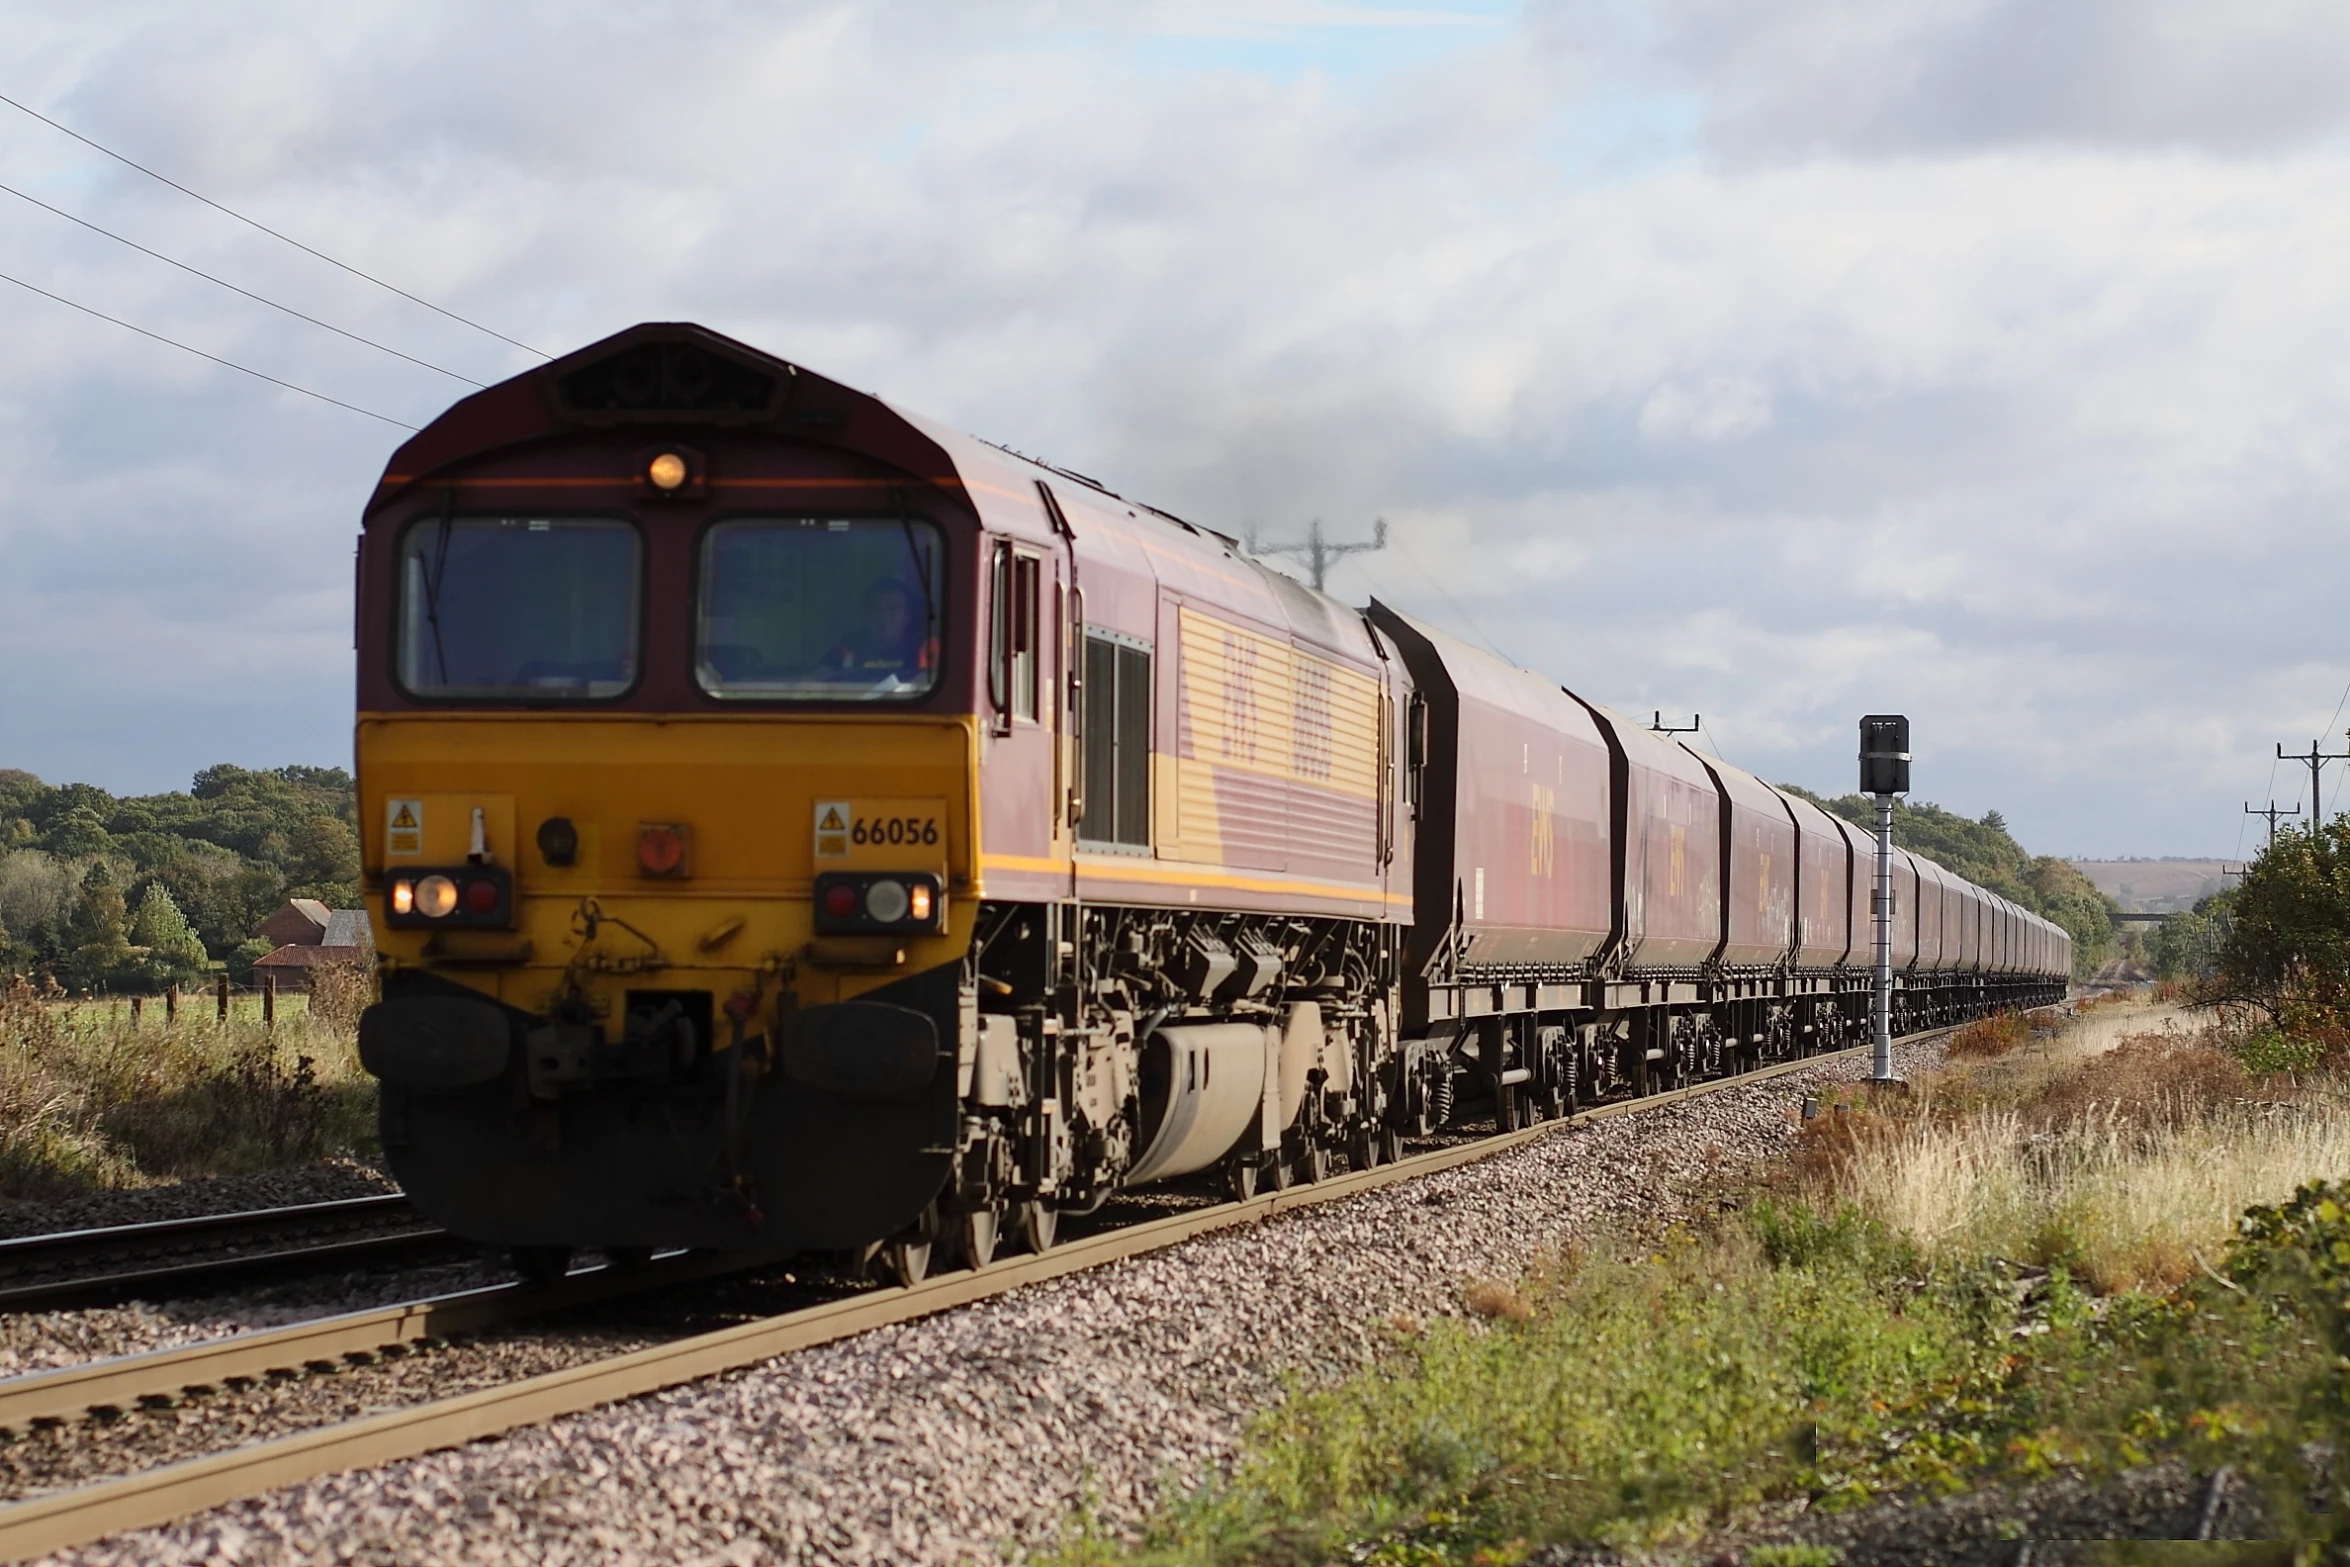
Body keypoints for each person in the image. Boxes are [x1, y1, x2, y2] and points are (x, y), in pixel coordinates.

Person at [822, 576, 935, 682]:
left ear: (907, 616)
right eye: (876, 608)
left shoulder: (921, 652)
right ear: (866, 613)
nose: (884, 616)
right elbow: (819, 679)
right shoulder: (847, 648)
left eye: (892, 608)